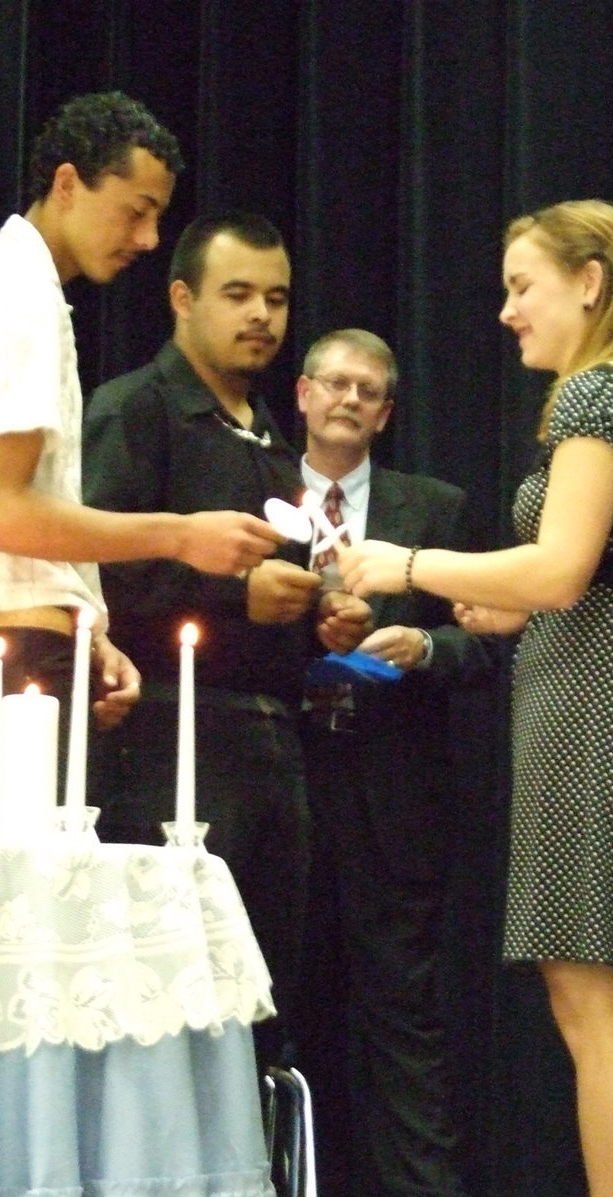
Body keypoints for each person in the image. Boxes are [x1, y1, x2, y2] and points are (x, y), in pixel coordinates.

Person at [339, 200, 613, 1197]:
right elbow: (599, 576)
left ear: (589, 283)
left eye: (524, 286)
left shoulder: (595, 398)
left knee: (595, 1009)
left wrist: (408, 561)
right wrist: (501, 605)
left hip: (599, 727)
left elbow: (560, 571)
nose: (509, 311)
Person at [0, 93, 284, 844]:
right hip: (2, 663)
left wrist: (87, 628)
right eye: (135, 210)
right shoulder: (17, 298)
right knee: (29, 931)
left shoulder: (9, 286)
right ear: (67, 184)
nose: (149, 236)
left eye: (158, 215)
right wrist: (180, 535)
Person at [81, 212, 370, 1066]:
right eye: (238, 294)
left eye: (277, 299)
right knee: (163, 1003)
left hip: (273, 743)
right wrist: (239, 594)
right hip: (167, 738)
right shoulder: (135, 410)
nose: (262, 317)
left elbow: (274, 594)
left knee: (256, 1007)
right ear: (181, 298)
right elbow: (93, 568)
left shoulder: (274, 437)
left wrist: (322, 613)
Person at [293, 329, 493, 1197]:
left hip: (395, 805)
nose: (348, 398)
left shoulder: (435, 508)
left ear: (387, 412)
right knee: (270, 1024)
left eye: (367, 390)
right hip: (276, 791)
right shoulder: (242, 498)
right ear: (301, 395)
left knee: (404, 1034)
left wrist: (426, 646)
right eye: (334, 382)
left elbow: (487, 643)